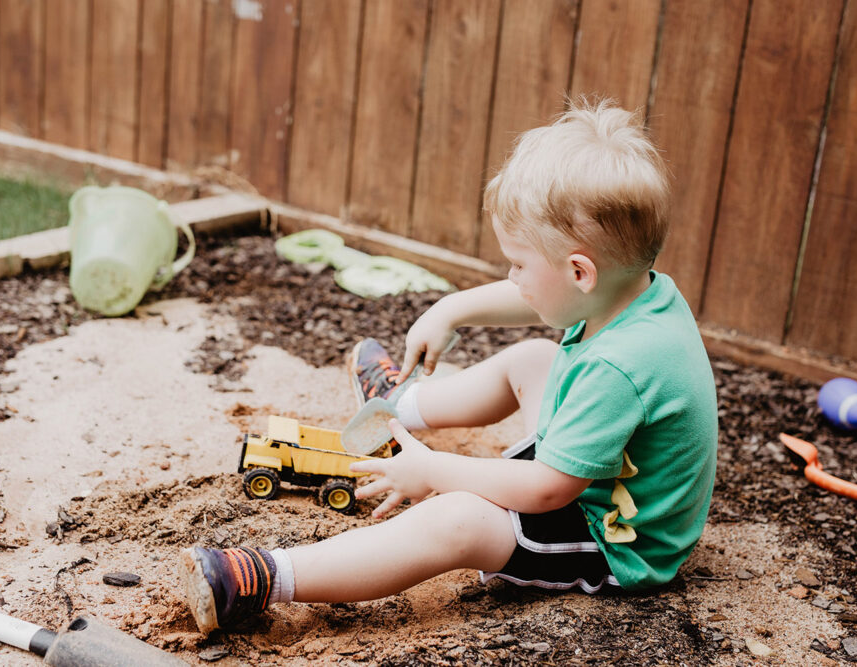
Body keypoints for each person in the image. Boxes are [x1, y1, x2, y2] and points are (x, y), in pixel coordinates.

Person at [178, 99, 718, 634]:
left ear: (580, 272)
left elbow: (547, 491)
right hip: (600, 474)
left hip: (611, 538)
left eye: (518, 263)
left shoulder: (618, 369)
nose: (513, 276)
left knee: (458, 518)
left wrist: (433, 472)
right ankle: (395, 407)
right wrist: (450, 309)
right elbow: (540, 297)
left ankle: (260, 580)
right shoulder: (634, 291)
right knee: (535, 359)